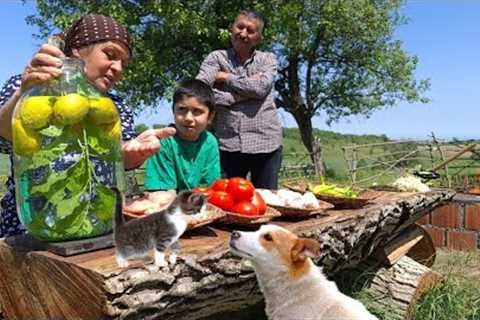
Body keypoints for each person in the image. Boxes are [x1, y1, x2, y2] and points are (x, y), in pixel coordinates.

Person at [0, 14, 175, 237]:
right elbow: (5, 136)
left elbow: (116, 158)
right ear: (77, 50)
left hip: (95, 224)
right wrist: (24, 93)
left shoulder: (113, 106)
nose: (119, 68)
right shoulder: (31, 85)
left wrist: (136, 151)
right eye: (110, 55)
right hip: (34, 229)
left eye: (124, 63)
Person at [196, 10, 283, 190]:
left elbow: (261, 88)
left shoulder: (268, 59)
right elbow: (200, 91)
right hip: (227, 144)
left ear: (258, 38)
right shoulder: (216, 57)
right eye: (240, 27)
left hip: (266, 142)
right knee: (224, 200)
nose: (243, 33)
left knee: (267, 202)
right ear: (231, 28)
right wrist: (239, 94)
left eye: (250, 30)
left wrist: (225, 78)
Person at [143, 79, 220, 193]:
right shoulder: (163, 142)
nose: (188, 118)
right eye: (182, 109)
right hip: (168, 203)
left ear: (210, 117)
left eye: (197, 111)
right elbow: (162, 191)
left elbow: (210, 187)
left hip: (199, 203)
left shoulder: (210, 142)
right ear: (173, 110)